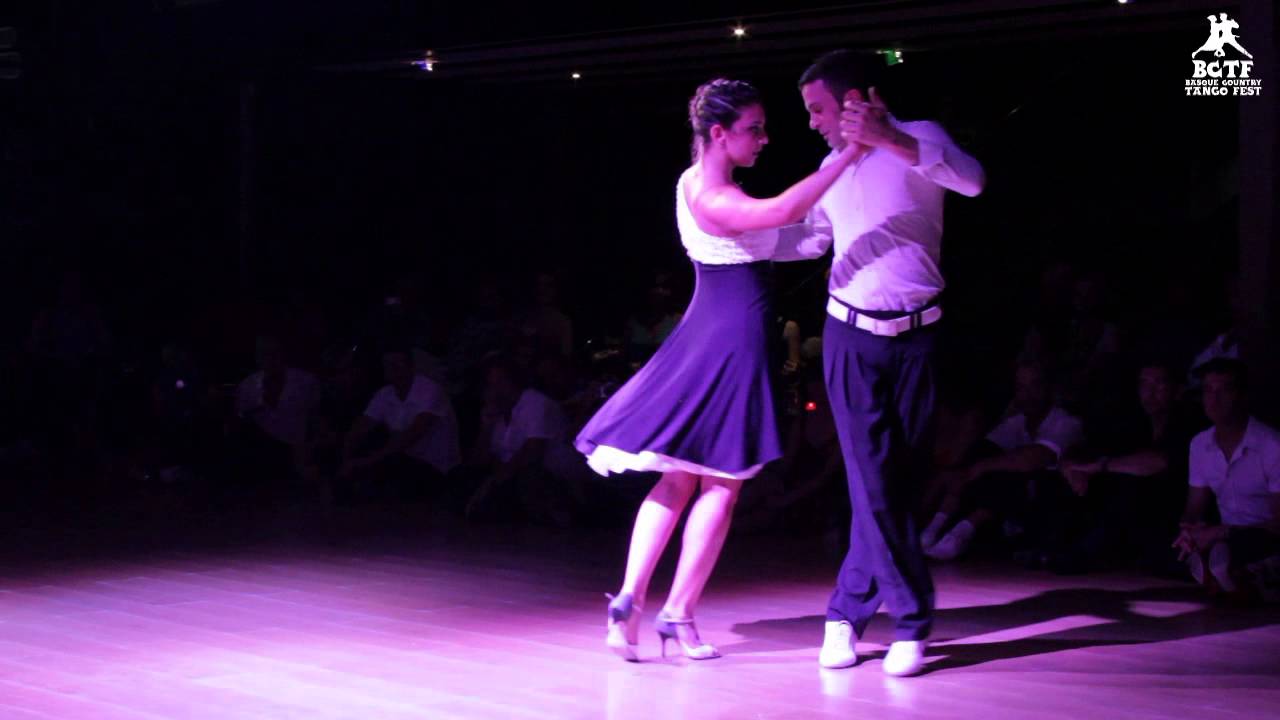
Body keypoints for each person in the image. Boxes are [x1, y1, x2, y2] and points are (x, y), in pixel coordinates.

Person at [576, 77, 864, 662]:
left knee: (680, 477)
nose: (764, 138)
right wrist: (851, 154)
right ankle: (674, 612)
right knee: (721, 484)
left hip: (708, 334)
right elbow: (784, 211)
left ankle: (630, 605)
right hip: (729, 342)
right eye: (754, 128)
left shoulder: (694, 184)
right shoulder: (715, 198)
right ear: (718, 132)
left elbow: (787, 237)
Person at [774, 50, 985, 676]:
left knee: (899, 481)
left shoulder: (921, 139)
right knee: (871, 477)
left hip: (919, 338)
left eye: (817, 109)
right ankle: (910, 622)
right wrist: (741, 235)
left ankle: (844, 614)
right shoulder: (828, 166)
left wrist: (888, 138)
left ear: (854, 101)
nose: (810, 122)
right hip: (849, 337)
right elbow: (812, 238)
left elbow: (973, 182)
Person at [1174, 359, 1280, 596]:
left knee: (1233, 555)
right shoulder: (1200, 443)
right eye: (1209, 390)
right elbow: (1195, 505)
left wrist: (1221, 532)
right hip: (1226, 538)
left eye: (1224, 390)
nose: (1214, 399)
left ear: (1242, 395)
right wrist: (1189, 529)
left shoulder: (1271, 445)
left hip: (1263, 536)